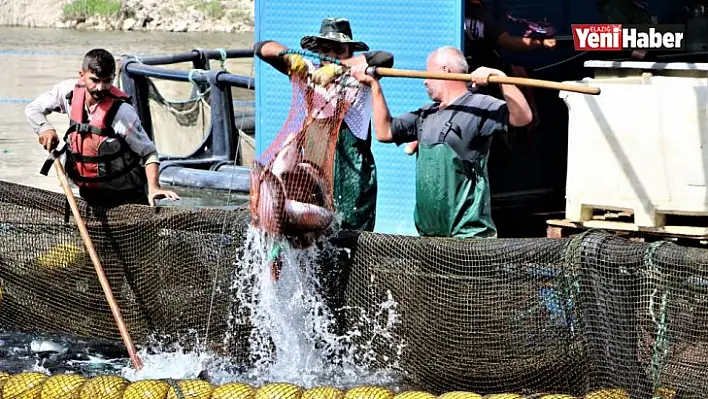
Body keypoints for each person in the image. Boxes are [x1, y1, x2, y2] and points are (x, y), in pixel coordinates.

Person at [352, 46, 533, 239]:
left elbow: (523, 117)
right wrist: (374, 86)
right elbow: (384, 132)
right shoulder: (425, 114)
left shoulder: (478, 106)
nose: (424, 81)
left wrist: (500, 77)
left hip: (468, 238)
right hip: (430, 238)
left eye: (428, 73)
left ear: (444, 70)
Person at [254, 17, 394, 234]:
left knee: (350, 244)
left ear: (350, 53)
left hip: (353, 179)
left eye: (339, 51)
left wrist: (339, 68)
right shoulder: (307, 71)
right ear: (317, 51)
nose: (332, 57)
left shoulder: (360, 75)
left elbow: (385, 58)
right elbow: (262, 48)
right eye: (326, 51)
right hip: (314, 174)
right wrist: (289, 55)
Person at [25, 48, 179, 208]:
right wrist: (45, 128)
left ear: (113, 77)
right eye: (95, 80)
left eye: (107, 81)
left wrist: (154, 188)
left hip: (126, 198)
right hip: (89, 195)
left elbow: (148, 152)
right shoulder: (68, 93)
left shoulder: (122, 112)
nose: (100, 87)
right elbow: (33, 109)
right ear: (82, 75)